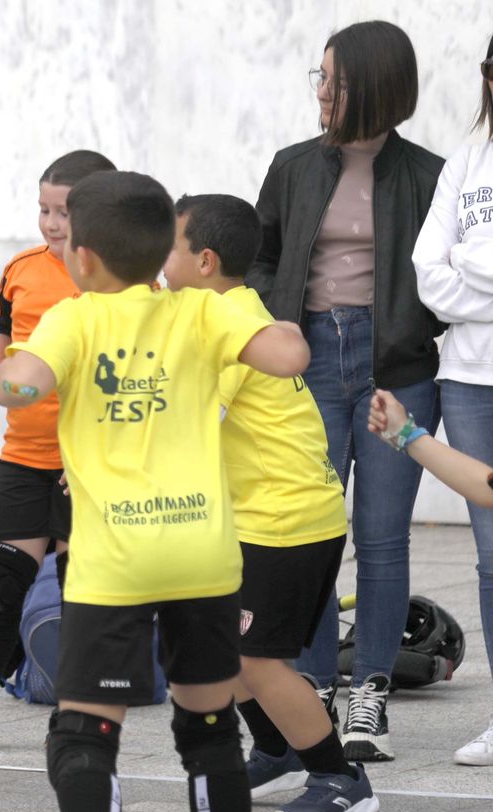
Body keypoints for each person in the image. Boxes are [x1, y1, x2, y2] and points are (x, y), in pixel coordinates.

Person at [0, 171, 310, 812]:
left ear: (84, 256)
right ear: (165, 248)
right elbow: (288, 356)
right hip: (202, 556)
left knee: (84, 732)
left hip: (116, 562)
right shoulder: (200, 312)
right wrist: (272, 325)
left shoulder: (76, 317)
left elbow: (23, 382)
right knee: (210, 730)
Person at [246, 20, 446, 762]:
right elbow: (260, 257)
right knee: (313, 531)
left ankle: (371, 694)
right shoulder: (294, 165)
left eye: (331, 77)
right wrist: (276, 329)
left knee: (382, 537)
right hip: (309, 362)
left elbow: (444, 274)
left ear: (370, 86)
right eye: (319, 76)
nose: (321, 90)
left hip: (395, 366)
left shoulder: (429, 174)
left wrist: (410, 335)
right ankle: (314, 688)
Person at [164, 193, 377, 812]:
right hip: (263, 516)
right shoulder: (221, 309)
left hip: (286, 522)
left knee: (254, 658)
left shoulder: (220, 320)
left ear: (203, 261)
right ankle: (279, 748)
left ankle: (341, 777)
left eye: (167, 245)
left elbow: (195, 420)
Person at [0, 149, 114, 754]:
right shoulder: (22, 269)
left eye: (64, 211)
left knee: (81, 589)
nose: (52, 224)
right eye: (44, 210)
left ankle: (82, 715)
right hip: (25, 456)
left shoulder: (126, 281)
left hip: (89, 467)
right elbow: (3, 338)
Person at [410, 34, 493, 766]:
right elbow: (424, 270)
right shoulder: (466, 159)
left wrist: (469, 266)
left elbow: (453, 268)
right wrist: (471, 265)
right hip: (467, 378)